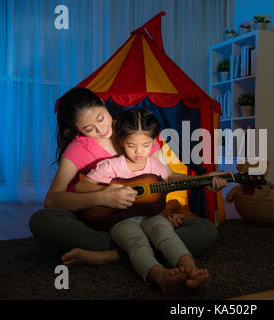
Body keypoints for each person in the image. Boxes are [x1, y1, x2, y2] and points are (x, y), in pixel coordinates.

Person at [29, 87, 227, 269]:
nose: (100, 130)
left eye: (100, 118)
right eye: (88, 129)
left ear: (102, 102)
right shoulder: (80, 147)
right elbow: (52, 199)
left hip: (144, 216)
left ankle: (110, 255)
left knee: (206, 230)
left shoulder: (135, 129)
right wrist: (101, 197)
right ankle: (145, 248)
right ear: (77, 129)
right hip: (101, 222)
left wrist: (203, 180)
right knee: (43, 221)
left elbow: (164, 175)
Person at [75, 108, 213, 295]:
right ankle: (160, 277)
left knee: (166, 234)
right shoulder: (111, 166)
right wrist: (109, 191)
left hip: (151, 215)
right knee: (137, 243)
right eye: (131, 145)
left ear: (154, 142)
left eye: (146, 145)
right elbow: (81, 187)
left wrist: (207, 180)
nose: (139, 152)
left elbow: (171, 181)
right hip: (119, 218)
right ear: (121, 142)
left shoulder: (157, 167)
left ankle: (193, 273)